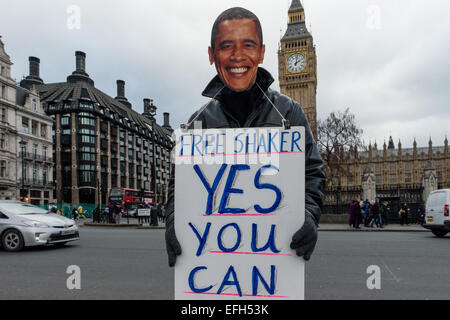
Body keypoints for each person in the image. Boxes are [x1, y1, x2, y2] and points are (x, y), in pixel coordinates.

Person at [165, 7, 325, 267]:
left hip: (274, 262)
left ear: (261, 52)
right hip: (214, 266)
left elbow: (313, 171)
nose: (237, 56)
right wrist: (173, 222)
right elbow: (179, 183)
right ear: (212, 54)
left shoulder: (288, 112)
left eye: (248, 45)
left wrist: (308, 213)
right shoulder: (198, 122)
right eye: (226, 46)